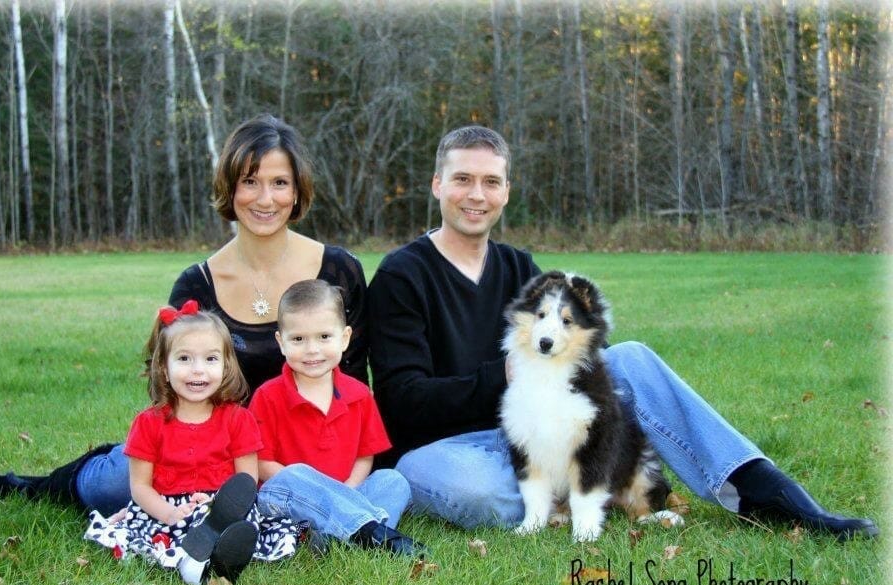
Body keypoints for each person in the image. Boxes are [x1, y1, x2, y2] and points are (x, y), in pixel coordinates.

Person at [366, 124, 879, 541]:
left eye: (491, 181)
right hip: (445, 449)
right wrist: (502, 372)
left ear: (506, 191)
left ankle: (760, 490)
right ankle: (583, 490)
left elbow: (573, 353)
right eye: (462, 179)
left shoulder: (519, 266)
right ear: (437, 185)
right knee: (476, 492)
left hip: (531, 430)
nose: (476, 195)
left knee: (629, 358)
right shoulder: (401, 276)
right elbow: (402, 403)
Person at [0, 114, 370, 518]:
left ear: (297, 191)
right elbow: (172, 394)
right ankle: (35, 485)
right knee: (118, 485)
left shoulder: (338, 271)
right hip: (215, 454)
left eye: (280, 183)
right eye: (250, 182)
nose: (265, 198)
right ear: (230, 187)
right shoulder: (197, 284)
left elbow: (352, 386)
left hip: (305, 455)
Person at [82, 301, 302, 585]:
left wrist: (218, 502)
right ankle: (200, 565)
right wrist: (169, 513)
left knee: (234, 521)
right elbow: (140, 487)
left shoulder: (238, 419)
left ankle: (217, 548)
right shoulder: (149, 423)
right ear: (163, 367)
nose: (198, 370)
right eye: (184, 359)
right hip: (167, 511)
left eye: (210, 359)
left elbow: (246, 480)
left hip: (222, 506)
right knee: (177, 530)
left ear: (226, 365)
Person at [252, 279, 424, 556]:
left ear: (344, 338)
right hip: (288, 500)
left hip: (349, 491)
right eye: (298, 339)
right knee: (295, 474)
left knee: (393, 481)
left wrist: (347, 492)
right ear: (280, 342)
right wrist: (328, 493)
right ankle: (372, 533)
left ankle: (337, 539)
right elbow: (262, 464)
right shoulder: (268, 396)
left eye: (324, 337)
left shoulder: (358, 394)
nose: (312, 349)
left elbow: (364, 456)